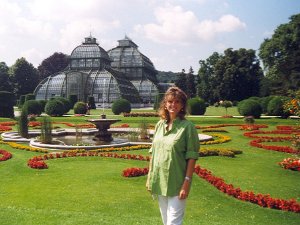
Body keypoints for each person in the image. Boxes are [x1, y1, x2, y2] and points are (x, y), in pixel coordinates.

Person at [146, 87, 200, 225]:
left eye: (177, 102)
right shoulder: (159, 125)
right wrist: (149, 178)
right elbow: (153, 152)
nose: (173, 105)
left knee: (173, 223)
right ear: (165, 103)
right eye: (170, 101)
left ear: (182, 105)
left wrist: (186, 183)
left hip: (177, 183)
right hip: (160, 181)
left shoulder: (188, 127)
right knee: (166, 222)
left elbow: (192, 157)